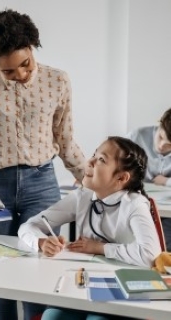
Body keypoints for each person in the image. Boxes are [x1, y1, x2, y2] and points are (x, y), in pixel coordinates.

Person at [0, 9, 86, 320]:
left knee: (38, 267)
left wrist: (88, 176)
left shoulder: (58, 81)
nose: (20, 74)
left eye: (25, 64)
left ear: (33, 47)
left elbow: (65, 139)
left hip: (41, 182)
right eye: (8, 71)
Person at [19, 136, 162, 320]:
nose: (90, 161)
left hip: (123, 293)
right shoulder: (82, 196)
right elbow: (28, 226)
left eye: (101, 160)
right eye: (94, 155)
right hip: (83, 287)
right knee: (52, 317)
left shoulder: (134, 205)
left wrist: (99, 248)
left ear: (121, 178)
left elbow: (150, 255)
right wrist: (40, 241)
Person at [128, 107, 171, 250]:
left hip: (165, 211)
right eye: (160, 137)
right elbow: (112, 162)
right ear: (159, 125)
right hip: (136, 202)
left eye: (169, 145)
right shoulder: (137, 136)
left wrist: (166, 181)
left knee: (165, 239)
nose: (161, 146)